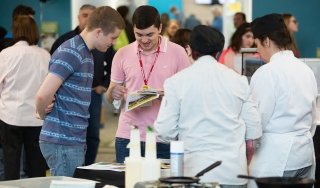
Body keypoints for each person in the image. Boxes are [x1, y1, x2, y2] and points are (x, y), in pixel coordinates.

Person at [154, 25, 262, 187]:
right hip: (233, 172)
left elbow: (164, 131)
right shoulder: (238, 81)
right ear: (219, 53)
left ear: (189, 49)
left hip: (194, 172)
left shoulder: (176, 83)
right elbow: (254, 128)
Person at [36, 6, 125, 176]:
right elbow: (42, 95)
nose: (113, 43)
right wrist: (42, 115)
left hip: (73, 140)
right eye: (113, 37)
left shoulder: (87, 53)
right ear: (98, 32)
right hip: (62, 141)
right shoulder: (71, 52)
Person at [106, 5, 190, 163]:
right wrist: (113, 93)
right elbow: (110, 97)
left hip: (165, 137)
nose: (144, 40)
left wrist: (168, 94)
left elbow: (189, 95)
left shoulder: (178, 52)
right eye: (139, 35)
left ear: (160, 28)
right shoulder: (122, 54)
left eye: (149, 34)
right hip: (128, 136)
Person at [248, 13, 317, 188]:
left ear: (266, 41)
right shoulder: (305, 69)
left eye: (256, 44)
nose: (257, 51)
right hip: (305, 154)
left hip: (277, 160)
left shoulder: (266, 73)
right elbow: (312, 118)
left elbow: (257, 122)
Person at [49, 4, 116, 166]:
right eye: (84, 15)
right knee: (71, 136)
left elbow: (113, 64)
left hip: (93, 93)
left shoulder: (103, 41)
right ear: (79, 17)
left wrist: (105, 84)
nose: (87, 18)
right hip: (67, 96)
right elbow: (52, 69)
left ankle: (87, 168)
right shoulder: (66, 41)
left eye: (90, 15)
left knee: (92, 134)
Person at [0, 16, 50, 180]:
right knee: (36, 164)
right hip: (36, 118)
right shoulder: (44, 55)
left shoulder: (5, 54)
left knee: (10, 162)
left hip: (10, 116)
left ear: (15, 31)